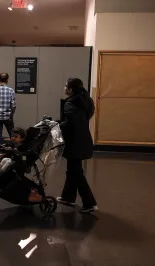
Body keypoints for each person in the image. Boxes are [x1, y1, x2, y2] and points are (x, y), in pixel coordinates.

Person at [57, 78, 98, 213]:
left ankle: (90, 203)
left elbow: (70, 124)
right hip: (83, 141)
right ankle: (68, 197)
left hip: (74, 143)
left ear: (71, 89)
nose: (64, 88)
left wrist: (56, 125)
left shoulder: (70, 103)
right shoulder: (86, 102)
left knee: (77, 173)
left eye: (66, 86)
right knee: (72, 170)